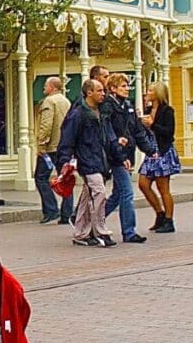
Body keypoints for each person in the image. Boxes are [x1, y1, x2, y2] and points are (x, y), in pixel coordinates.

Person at [57, 78, 124, 248]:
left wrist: (119, 154)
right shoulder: (78, 114)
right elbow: (67, 139)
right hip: (87, 160)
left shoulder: (102, 113)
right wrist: (65, 162)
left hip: (99, 159)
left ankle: (80, 233)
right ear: (89, 92)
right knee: (99, 192)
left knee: (88, 196)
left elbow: (109, 137)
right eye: (99, 90)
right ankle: (101, 231)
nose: (103, 94)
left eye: (103, 90)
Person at [102, 73, 157, 244]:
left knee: (118, 194)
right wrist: (119, 153)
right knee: (127, 192)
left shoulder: (128, 106)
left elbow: (137, 131)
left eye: (127, 85)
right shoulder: (108, 107)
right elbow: (108, 133)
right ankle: (129, 231)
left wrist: (149, 150)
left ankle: (90, 219)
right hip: (115, 155)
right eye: (123, 86)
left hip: (127, 153)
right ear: (113, 88)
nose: (127, 89)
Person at [138, 82, 180, 234]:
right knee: (143, 183)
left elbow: (169, 132)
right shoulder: (148, 110)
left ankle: (169, 219)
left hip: (163, 151)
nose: (147, 93)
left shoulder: (167, 111)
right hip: (151, 152)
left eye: (150, 90)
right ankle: (159, 213)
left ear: (158, 93)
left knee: (163, 188)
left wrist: (152, 124)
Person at [34, 76, 72, 224]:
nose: (44, 88)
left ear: (52, 87)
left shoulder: (49, 101)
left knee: (41, 177)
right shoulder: (66, 101)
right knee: (65, 179)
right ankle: (66, 213)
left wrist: (41, 144)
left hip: (51, 147)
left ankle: (51, 210)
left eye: (45, 85)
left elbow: (46, 124)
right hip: (63, 145)